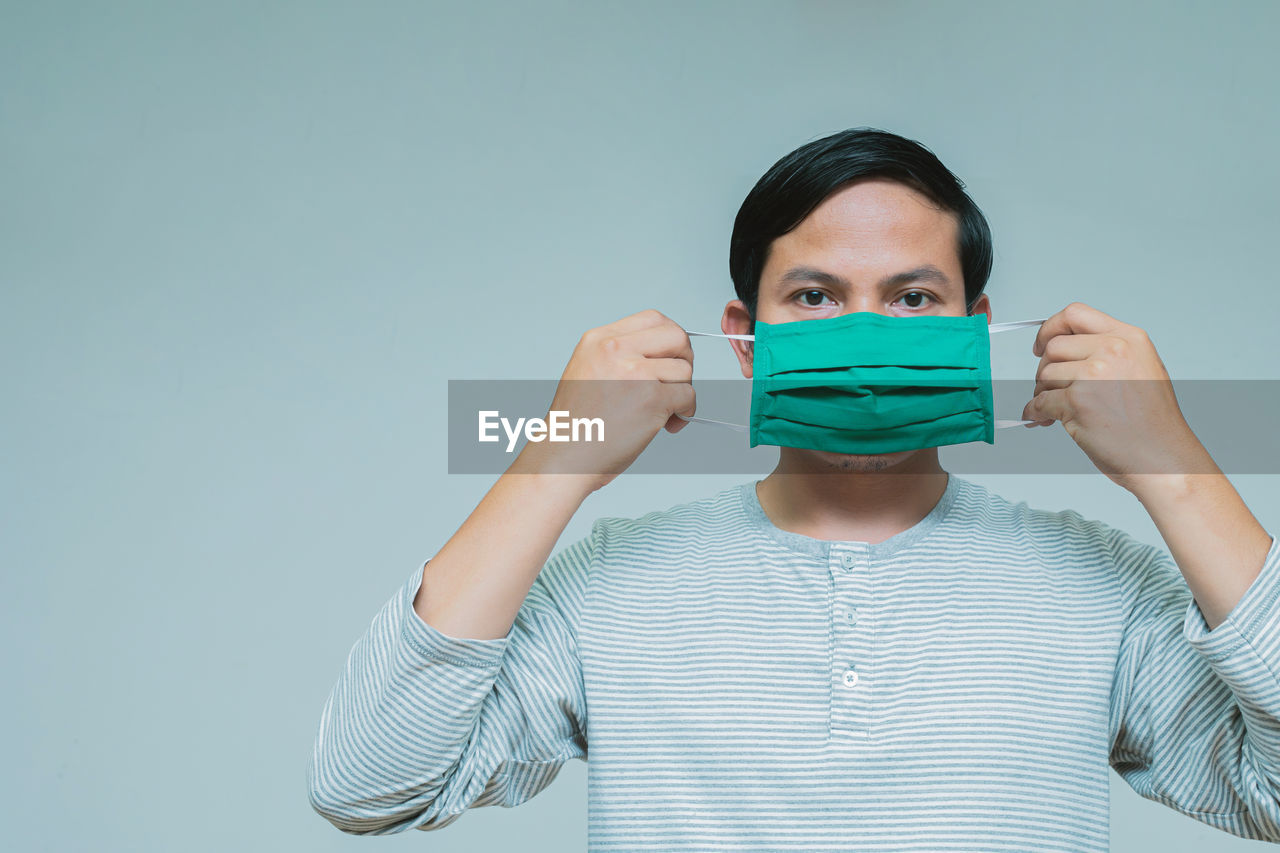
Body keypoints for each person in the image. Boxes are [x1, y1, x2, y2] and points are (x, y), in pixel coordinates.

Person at [307, 127, 1280, 850]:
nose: (862, 335)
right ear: (743, 336)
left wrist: (1175, 465)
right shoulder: (606, 586)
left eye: (911, 299)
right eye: (813, 297)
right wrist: (554, 452)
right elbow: (367, 780)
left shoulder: (1100, 587)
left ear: (972, 330)